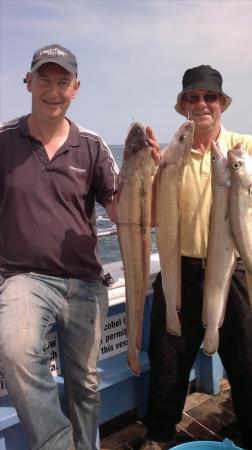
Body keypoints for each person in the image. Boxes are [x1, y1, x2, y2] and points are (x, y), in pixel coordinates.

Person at [0, 43, 121, 450]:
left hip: (85, 280)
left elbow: (123, 213)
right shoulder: (3, 141)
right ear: (28, 82)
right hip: (24, 277)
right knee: (16, 352)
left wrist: (147, 177)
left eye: (63, 82)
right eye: (45, 80)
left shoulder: (92, 145)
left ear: (76, 88)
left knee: (85, 384)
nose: (53, 91)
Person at [140, 65, 252, 450]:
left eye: (210, 96)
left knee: (247, 359)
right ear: (183, 106)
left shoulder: (244, 147)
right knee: (168, 360)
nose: (202, 103)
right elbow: (152, 217)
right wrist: (155, 170)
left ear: (222, 103)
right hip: (180, 270)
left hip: (232, 269)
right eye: (193, 97)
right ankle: (159, 435)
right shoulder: (172, 154)